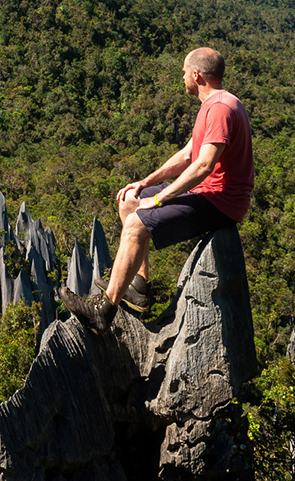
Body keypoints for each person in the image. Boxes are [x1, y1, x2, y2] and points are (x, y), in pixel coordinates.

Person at [60, 47, 253, 333]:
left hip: (221, 202)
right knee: (130, 202)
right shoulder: (212, 106)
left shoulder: (221, 109)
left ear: (197, 75)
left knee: (137, 223)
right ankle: (139, 287)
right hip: (208, 192)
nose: (183, 76)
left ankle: (104, 310)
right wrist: (145, 184)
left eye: (185, 72)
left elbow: (203, 166)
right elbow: (188, 155)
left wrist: (161, 199)